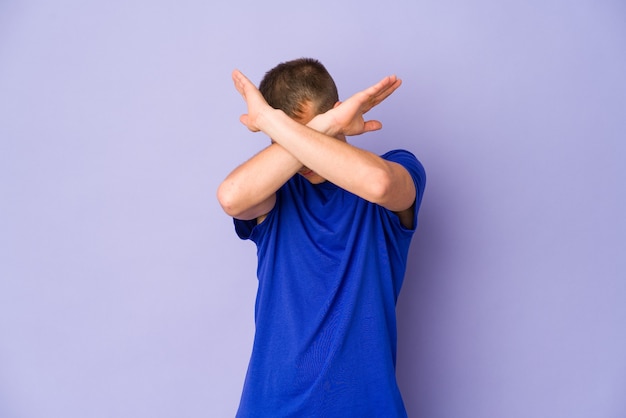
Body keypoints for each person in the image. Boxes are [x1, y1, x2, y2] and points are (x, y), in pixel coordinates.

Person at [218, 58, 426, 417]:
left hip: (367, 407)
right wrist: (324, 126)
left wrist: (274, 122)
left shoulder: (398, 166)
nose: (301, 157)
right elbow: (231, 196)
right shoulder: (276, 191)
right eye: (285, 137)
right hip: (271, 407)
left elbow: (380, 185)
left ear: (336, 110)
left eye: (318, 125)